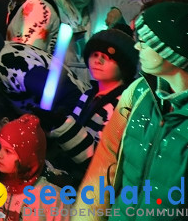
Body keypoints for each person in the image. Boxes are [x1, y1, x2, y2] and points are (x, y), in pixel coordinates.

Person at [74, 3, 188, 217]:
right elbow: (104, 166)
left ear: (172, 52)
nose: (137, 48)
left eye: (145, 43)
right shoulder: (138, 94)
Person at [47, 28, 137, 187]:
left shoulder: (121, 104)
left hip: (93, 181)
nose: (98, 61)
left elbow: (99, 154)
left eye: (107, 57)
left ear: (124, 67)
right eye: (95, 55)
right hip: (72, 168)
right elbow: (74, 124)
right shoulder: (89, 93)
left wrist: (64, 126)